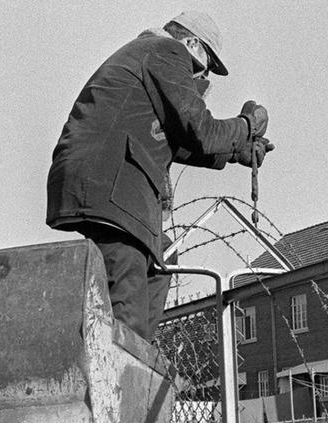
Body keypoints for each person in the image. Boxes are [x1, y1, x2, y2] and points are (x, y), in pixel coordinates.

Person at [47, 11, 272, 340]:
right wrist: (247, 126)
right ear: (191, 43)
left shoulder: (145, 56)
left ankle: (139, 355)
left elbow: (175, 138)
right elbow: (199, 130)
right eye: (203, 67)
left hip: (103, 180)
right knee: (127, 295)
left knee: (163, 256)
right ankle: (124, 367)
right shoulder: (167, 51)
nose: (201, 76)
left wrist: (236, 152)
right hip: (112, 186)